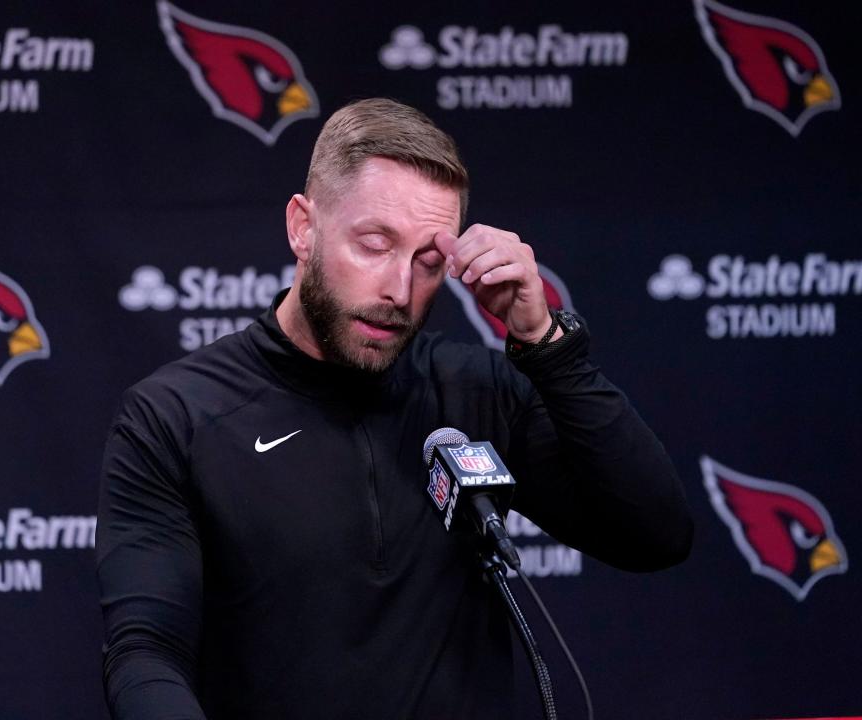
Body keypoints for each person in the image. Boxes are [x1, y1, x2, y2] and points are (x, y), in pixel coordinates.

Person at [96, 98, 693, 719]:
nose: (399, 291)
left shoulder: (476, 391)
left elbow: (655, 534)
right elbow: (146, 651)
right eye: (374, 244)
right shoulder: (176, 416)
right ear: (303, 227)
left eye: (429, 262)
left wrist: (546, 345)